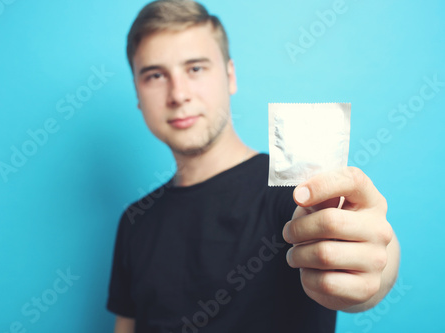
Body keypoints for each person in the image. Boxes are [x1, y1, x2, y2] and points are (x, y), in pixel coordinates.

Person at [107, 1, 400, 332]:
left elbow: (364, 262)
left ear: (230, 76)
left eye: (195, 68)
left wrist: (372, 267)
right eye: (156, 75)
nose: (178, 94)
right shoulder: (135, 222)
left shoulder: (294, 191)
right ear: (138, 93)